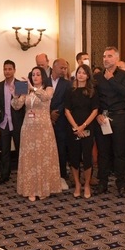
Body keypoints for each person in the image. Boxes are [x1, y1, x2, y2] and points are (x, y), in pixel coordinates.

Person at [12, 67, 61, 201]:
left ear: (43, 76)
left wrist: (32, 89)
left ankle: (44, 189)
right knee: (30, 158)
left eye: (38, 74)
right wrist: (15, 95)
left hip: (44, 129)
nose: (35, 77)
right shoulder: (25, 89)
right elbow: (16, 106)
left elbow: (45, 98)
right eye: (33, 74)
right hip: (28, 128)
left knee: (43, 157)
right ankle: (30, 189)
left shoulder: (48, 89)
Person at [93, 46, 125, 198]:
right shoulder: (97, 77)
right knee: (103, 153)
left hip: (119, 117)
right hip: (102, 118)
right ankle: (103, 183)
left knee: (119, 153)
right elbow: (94, 98)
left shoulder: (124, 75)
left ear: (116, 58)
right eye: (104, 56)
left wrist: (112, 79)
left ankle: (121, 184)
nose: (106, 59)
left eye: (109, 56)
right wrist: (97, 115)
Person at [64, 64, 98, 199]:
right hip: (73, 128)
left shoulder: (92, 91)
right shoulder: (70, 91)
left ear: (88, 75)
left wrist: (83, 126)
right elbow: (67, 110)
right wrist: (76, 127)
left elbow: (95, 110)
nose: (81, 75)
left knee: (87, 157)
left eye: (84, 73)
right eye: (79, 72)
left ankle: (87, 185)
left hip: (88, 127)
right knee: (74, 157)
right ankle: (78, 184)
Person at [0, 60, 25, 185]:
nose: (7, 71)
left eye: (10, 69)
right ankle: (4, 175)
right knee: (4, 151)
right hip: (3, 123)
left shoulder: (21, 84)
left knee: (20, 150)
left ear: (14, 70)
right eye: (5, 69)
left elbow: (23, 105)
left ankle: (22, 176)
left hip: (17, 123)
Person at [49, 58, 73, 190]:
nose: (64, 70)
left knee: (61, 149)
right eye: (62, 68)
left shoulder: (67, 83)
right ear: (54, 67)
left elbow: (67, 101)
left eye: (65, 68)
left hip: (61, 120)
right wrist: (49, 113)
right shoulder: (44, 80)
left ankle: (62, 175)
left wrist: (56, 113)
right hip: (45, 120)